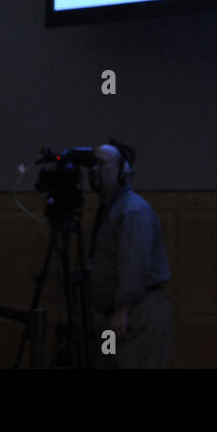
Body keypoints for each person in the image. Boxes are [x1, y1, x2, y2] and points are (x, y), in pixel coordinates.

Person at [86, 140, 172, 368]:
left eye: (102, 163)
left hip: (133, 315)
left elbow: (134, 264)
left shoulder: (132, 211)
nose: (94, 169)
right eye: (93, 163)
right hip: (116, 315)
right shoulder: (110, 208)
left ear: (124, 171)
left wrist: (122, 311)